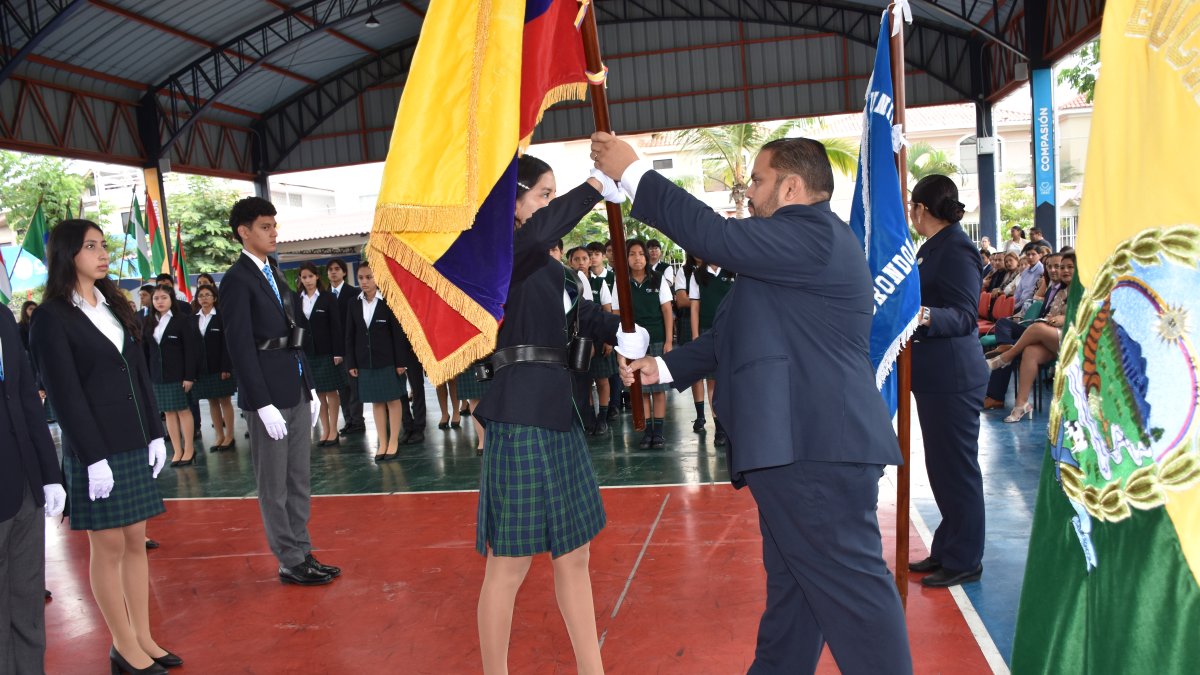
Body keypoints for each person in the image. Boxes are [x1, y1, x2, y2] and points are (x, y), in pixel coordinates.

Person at [597, 133, 912, 674]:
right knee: (797, 599)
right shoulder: (784, 260)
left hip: (815, 449)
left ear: (791, 187)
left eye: (759, 182)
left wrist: (635, 174)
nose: (749, 194)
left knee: (854, 601)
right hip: (798, 451)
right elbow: (729, 337)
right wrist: (664, 367)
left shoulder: (812, 235)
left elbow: (715, 235)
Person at [473, 154, 647, 675]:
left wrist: (619, 332)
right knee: (509, 565)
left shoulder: (550, 268)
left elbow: (581, 312)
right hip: (520, 412)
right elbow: (534, 236)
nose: (550, 204)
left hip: (558, 410)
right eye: (544, 194)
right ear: (515, 201)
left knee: (575, 554)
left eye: (553, 195)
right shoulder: (499, 252)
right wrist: (596, 185)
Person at [30, 219, 178, 674]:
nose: (102, 252)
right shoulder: (52, 317)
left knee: (136, 539)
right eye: (90, 246)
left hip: (133, 440)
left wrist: (155, 431)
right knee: (108, 545)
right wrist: (92, 457)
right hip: (95, 449)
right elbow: (64, 394)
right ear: (68, 253)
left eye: (103, 244)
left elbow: (137, 373)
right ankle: (122, 646)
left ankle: (144, 637)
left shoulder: (113, 304)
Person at [220, 197, 336, 587]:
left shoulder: (274, 270)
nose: (273, 232)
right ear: (244, 232)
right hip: (268, 394)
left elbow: (293, 331)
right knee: (274, 484)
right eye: (265, 226)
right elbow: (239, 346)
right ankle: (288, 558)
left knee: (298, 479)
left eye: (274, 225)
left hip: (295, 385)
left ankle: (302, 551)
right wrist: (261, 402)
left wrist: (312, 386)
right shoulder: (237, 280)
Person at [904, 175, 989, 588]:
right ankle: (947, 548)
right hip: (936, 377)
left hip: (955, 377)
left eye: (911, 206)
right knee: (942, 469)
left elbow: (964, 316)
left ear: (922, 208)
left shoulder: (957, 249)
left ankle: (965, 559)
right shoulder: (932, 247)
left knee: (957, 471)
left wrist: (919, 314)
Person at [0, 303, 66, 675]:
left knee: (27, 602)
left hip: (24, 484)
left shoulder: (3, 317)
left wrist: (49, 473)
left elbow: (25, 396)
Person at [985, 253, 1077, 422]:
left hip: (1073, 339)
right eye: (1060, 267)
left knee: (1036, 328)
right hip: (1050, 335)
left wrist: (1064, 318)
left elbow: (1085, 315)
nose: (1062, 270)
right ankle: (1021, 405)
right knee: (1029, 350)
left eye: (1069, 267)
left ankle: (1006, 356)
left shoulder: (1083, 291)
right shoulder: (1059, 290)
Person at [610, 239, 674, 448]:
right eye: (632, 254)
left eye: (641, 254)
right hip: (633, 344)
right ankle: (647, 432)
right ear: (626, 258)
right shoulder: (621, 282)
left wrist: (668, 341)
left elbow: (666, 310)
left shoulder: (658, 280)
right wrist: (621, 346)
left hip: (656, 338)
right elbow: (616, 314)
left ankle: (659, 431)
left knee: (658, 388)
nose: (637, 258)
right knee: (641, 389)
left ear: (647, 257)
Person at [345, 261, 412, 461]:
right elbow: (350, 335)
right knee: (376, 402)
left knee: (393, 400)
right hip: (365, 362)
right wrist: (352, 363)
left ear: (378, 278)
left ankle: (393, 441)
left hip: (389, 361)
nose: (364, 282)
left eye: (369, 277)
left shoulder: (389, 300)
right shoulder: (353, 303)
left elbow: (398, 334)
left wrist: (401, 362)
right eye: (361, 278)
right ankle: (382, 442)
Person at [143, 286, 201, 467]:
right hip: (157, 376)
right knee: (168, 412)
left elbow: (191, 350)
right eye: (156, 298)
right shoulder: (148, 322)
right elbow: (145, 351)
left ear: (171, 300)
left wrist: (189, 376)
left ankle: (189, 449)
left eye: (164, 298)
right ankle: (177, 450)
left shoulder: (182, 321)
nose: (159, 301)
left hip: (179, 375)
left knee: (183, 411)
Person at [293, 262, 345, 447]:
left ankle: (334, 429)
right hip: (307, 353)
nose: (307, 280)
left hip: (327, 352)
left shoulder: (328, 298)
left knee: (331, 391)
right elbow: (296, 328)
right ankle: (325, 429)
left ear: (317, 277)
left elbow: (336, 327)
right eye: (303, 277)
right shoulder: (296, 300)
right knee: (318, 394)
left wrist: (338, 352)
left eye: (310, 276)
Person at [689, 260, 736, 444]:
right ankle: (720, 427)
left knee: (733, 379)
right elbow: (695, 306)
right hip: (708, 332)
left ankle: (734, 425)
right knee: (712, 382)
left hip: (733, 330)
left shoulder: (734, 270)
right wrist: (695, 335)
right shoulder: (698, 275)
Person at [192, 285, 237, 452]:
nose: (204, 298)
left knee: (224, 400)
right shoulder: (193, 318)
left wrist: (227, 366)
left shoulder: (221, 317)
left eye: (208, 295)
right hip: (203, 368)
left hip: (221, 367)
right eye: (201, 295)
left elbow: (227, 344)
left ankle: (230, 435)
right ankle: (219, 435)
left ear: (215, 298)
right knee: (211, 401)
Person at [326, 258, 365, 435]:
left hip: (351, 346)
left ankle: (358, 421)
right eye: (330, 270)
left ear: (344, 272)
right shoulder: (324, 294)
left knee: (354, 386)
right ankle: (348, 419)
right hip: (334, 349)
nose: (333, 272)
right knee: (342, 387)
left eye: (337, 269)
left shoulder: (353, 292)